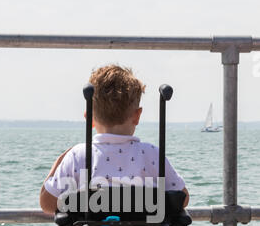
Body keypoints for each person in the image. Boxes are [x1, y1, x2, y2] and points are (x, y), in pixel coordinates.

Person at [40, 64, 189, 214]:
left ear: (89, 117)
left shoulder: (78, 155)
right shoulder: (152, 154)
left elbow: (47, 204)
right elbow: (182, 198)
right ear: (137, 116)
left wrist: (58, 163)